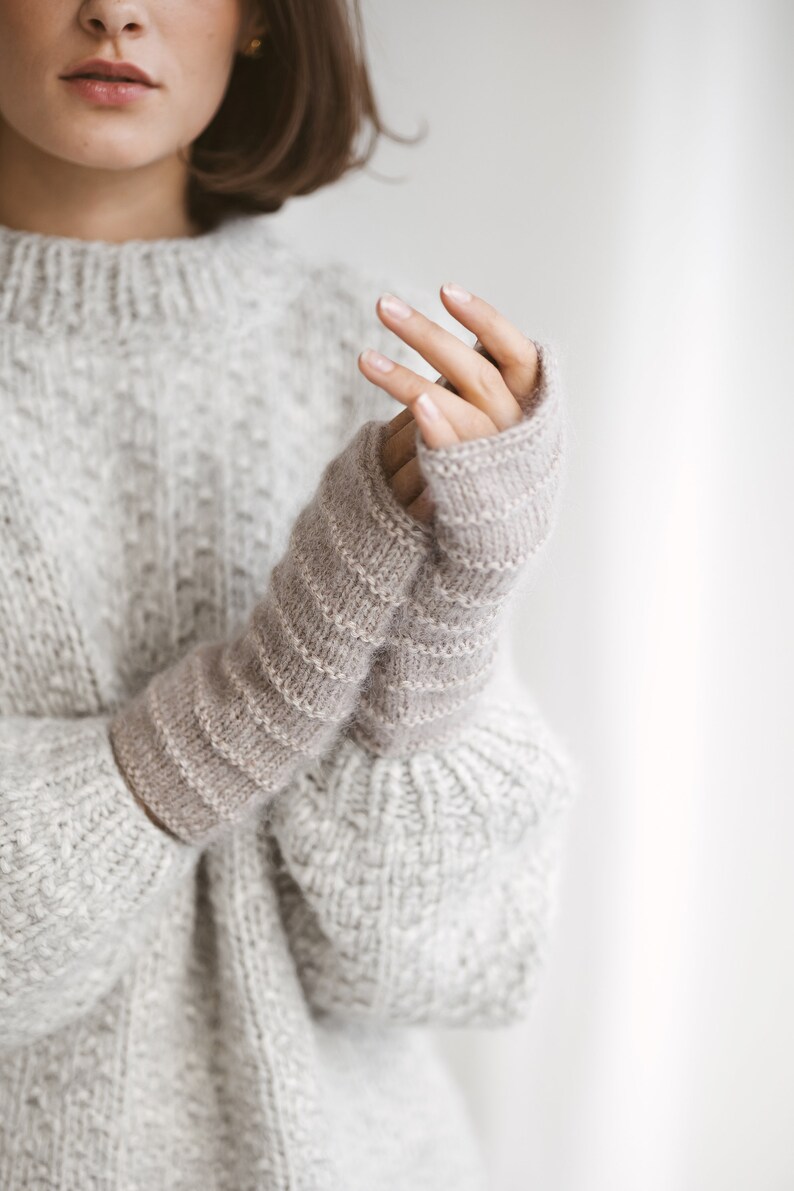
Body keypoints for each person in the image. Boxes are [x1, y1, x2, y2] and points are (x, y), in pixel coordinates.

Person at [0, 1, 579, 1187]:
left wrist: (457, 614)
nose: (115, 10)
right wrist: (259, 697)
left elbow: (433, 962)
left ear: (261, 19)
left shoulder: (364, 346)